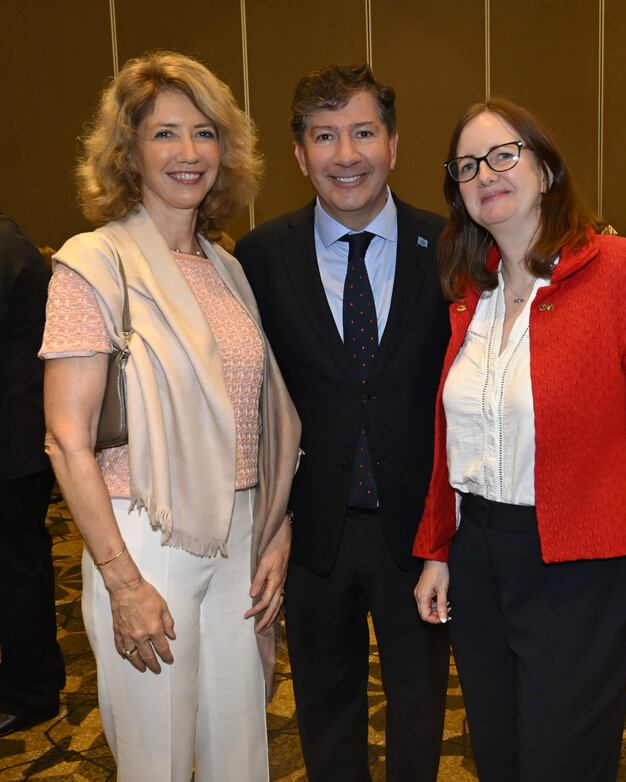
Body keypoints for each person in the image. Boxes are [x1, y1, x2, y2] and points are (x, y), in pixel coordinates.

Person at [412, 99, 626, 782]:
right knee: (498, 755)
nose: (485, 173)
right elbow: (458, 443)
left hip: (586, 569)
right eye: (467, 166)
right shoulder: (472, 293)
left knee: (563, 764)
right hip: (481, 559)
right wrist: (438, 549)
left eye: (503, 154)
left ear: (547, 168)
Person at [40, 51, 300, 782]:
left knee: (240, 749)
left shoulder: (227, 268)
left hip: (240, 538)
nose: (190, 153)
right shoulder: (93, 264)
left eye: (205, 133)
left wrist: (275, 526)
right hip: (145, 539)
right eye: (165, 134)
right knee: (156, 759)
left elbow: (262, 417)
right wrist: (123, 582)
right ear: (128, 152)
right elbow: (66, 441)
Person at [236, 64, 450, 782]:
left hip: (419, 532)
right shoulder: (262, 257)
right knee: (326, 709)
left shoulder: (451, 246)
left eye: (362, 132)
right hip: (311, 529)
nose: (345, 155)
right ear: (299, 155)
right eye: (324, 137)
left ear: (393, 143)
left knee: (421, 708)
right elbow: (253, 396)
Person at [0, 214, 65, 737]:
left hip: (13, 449)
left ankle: (32, 691)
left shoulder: (4, 245)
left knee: (18, 572)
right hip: (19, 443)